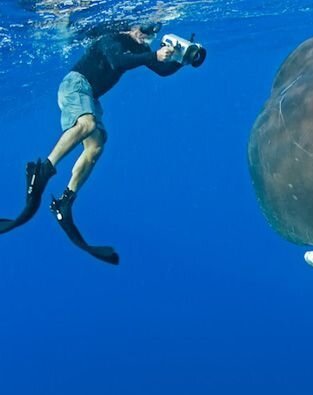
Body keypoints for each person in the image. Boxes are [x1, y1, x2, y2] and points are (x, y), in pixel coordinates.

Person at [0, 22, 183, 264]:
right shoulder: (110, 39)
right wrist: (154, 54)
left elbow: (161, 70)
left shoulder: (137, 48)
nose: (148, 35)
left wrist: (182, 58)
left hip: (90, 96)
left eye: (152, 32)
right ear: (130, 27)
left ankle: (65, 201)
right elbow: (118, 62)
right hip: (75, 85)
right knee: (86, 125)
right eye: (145, 29)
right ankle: (42, 170)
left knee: (96, 145)